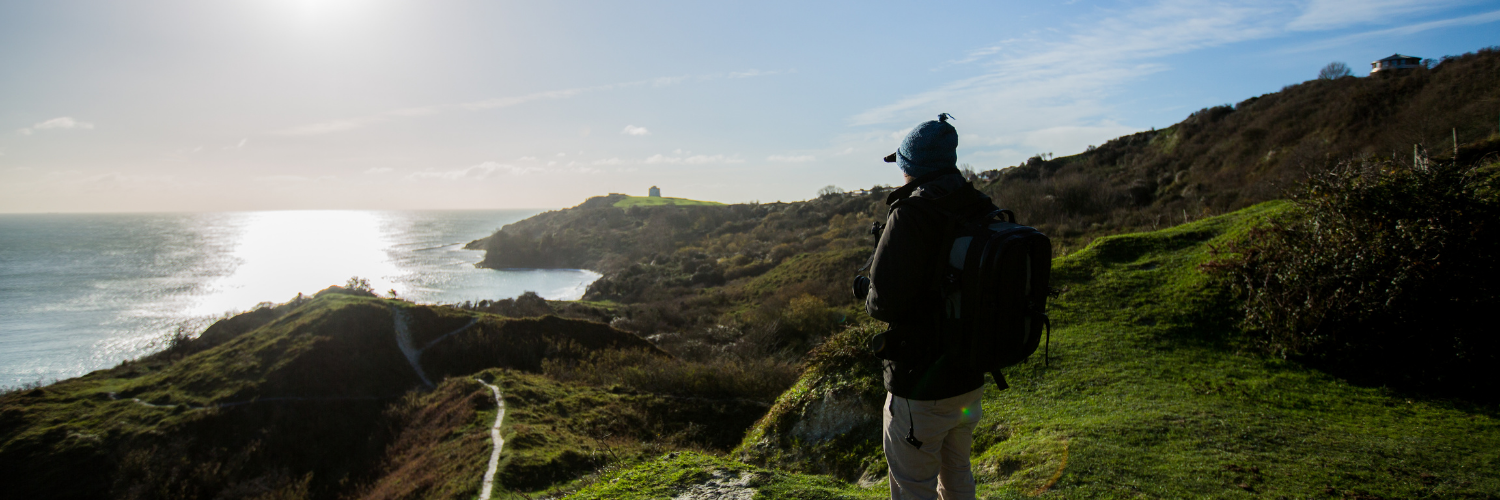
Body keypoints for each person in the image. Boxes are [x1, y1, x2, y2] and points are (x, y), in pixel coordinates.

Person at [864, 114, 999, 500]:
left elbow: (883, 303)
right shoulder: (978, 206)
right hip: (969, 375)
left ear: (911, 167)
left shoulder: (912, 213)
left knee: (912, 487)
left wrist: (867, 287)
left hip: (921, 386)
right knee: (957, 473)